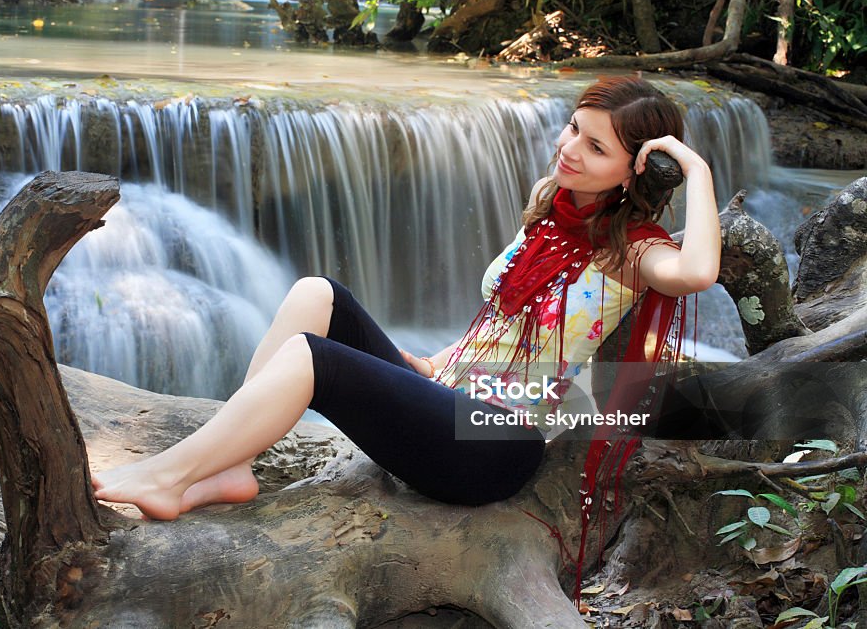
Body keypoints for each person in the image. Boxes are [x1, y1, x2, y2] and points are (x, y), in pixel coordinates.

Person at [92, 76, 721, 521]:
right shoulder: (550, 206)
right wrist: (432, 364)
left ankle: (167, 476)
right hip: (452, 398)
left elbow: (696, 272)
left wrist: (696, 171)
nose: (568, 149)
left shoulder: (635, 252)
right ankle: (231, 466)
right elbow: (505, 320)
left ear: (638, 168)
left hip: (495, 448)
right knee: (317, 294)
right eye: (574, 129)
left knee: (315, 359)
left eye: (595, 148)